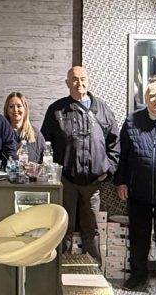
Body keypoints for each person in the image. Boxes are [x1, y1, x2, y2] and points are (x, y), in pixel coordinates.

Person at [41, 66, 119, 264]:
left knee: (91, 229)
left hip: (93, 183)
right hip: (65, 181)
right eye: (74, 79)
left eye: (83, 78)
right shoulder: (57, 110)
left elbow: (115, 142)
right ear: (67, 83)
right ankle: (60, 269)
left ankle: (94, 270)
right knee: (63, 227)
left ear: (88, 80)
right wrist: (52, 173)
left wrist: (108, 169)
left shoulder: (102, 108)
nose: (79, 83)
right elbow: (45, 143)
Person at [115, 79, 156, 295]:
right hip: (138, 189)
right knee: (138, 236)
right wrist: (121, 181)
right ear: (145, 98)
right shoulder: (132, 120)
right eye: (152, 95)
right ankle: (138, 274)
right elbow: (123, 154)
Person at [4, 91, 46, 166]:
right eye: (11, 106)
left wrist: (35, 167)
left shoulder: (36, 134)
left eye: (19, 106)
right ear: (6, 110)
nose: (15, 109)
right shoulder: (1, 134)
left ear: (25, 109)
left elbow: (45, 163)